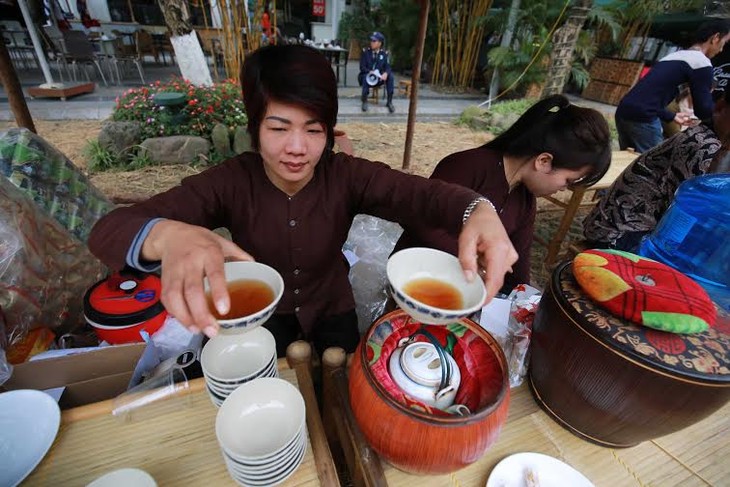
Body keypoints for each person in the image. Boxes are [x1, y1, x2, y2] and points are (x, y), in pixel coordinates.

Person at [88, 44, 517, 357]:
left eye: (313, 130)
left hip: (332, 309)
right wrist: (166, 235)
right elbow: (106, 230)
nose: (297, 147)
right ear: (255, 127)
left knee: (342, 387)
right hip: (257, 316)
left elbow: (418, 195)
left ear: (329, 131)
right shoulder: (230, 181)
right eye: (278, 128)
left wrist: (477, 209)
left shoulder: (345, 175)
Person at [394, 95, 612, 293]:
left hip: (462, 296)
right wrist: (482, 261)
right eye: (568, 181)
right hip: (414, 283)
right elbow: (418, 222)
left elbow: (518, 269)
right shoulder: (467, 166)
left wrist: (524, 297)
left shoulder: (525, 201)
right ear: (544, 161)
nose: (564, 189)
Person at [583, 87, 730, 252]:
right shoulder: (703, 147)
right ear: (720, 108)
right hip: (620, 234)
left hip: (624, 227)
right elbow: (690, 212)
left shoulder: (710, 139)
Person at [615, 19, 730, 153]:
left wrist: (672, 116)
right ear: (715, 38)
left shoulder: (675, 56)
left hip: (624, 110)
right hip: (642, 119)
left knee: (628, 161)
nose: (721, 49)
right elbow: (703, 109)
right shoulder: (701, 62)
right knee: (652, 166)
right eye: (724, 43)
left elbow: (645, 98)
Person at [359, 31, 395, 113]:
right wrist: (370, 71)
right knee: (365, 77)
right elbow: (362, 67)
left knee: (391, 77)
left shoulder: (384, 54)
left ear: (379, 43)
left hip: (379, 78)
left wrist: (386, 73)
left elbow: (388, 67)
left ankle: (389, 101)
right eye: (371, 40)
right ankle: (364, 100)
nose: (371, 42)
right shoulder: (365, 52)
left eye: (374, 41)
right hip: (368, 76)